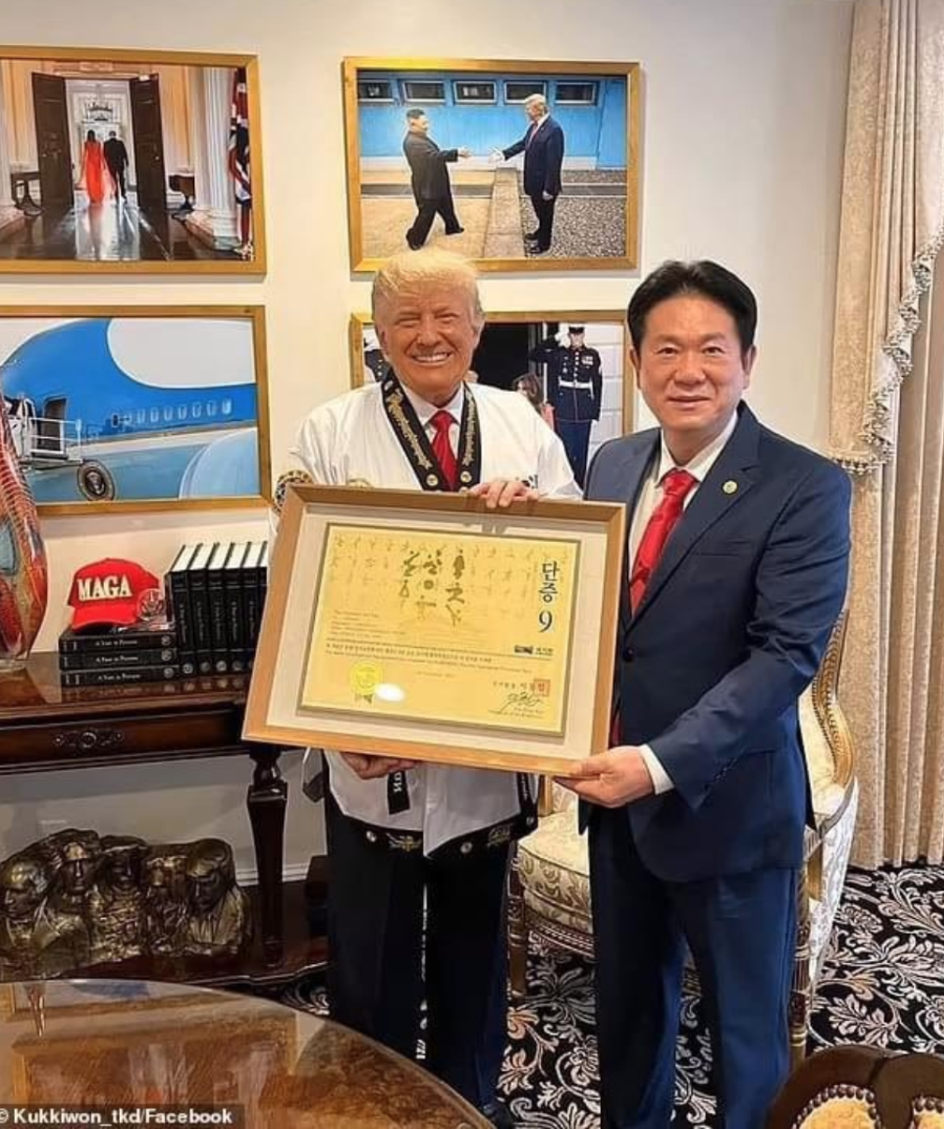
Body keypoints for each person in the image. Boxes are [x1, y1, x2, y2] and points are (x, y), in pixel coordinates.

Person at [287, 247, 578, 1127]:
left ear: (479, 329)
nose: (429, 334)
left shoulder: (524, 426)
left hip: (484, 759)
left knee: (473, 955)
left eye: (448, 315)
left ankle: (469, 1103)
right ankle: (369, 1107)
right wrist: (333, 725)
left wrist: (532, 511)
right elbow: (300, 589)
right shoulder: (330, 432)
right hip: (371, 752)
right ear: (379, 333)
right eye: (407, 318)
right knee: (370, 964)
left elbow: (572, 578)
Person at [559, 260, 851, 1129]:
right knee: (629, 1020)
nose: (690, 370)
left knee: (747, 1040)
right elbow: (585, 610)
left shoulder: (806, 485)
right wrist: (514, 521)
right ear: (639, 361)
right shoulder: (612, 464)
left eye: (713, 350)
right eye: (668, 349)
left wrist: (656, 764)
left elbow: (783, 658)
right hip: (616, 807)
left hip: (727, 807)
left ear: (748, 362)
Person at [529, 325, 602, 487]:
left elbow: (597, 384)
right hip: (564, 407)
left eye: (579, 335)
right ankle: (567, 486)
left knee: (581, 453)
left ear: (583, 335)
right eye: (573, 335)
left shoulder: (592, 355)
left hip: (583, 409)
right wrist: (555, 338)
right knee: (566, 451)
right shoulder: (559, 354)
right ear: (569, 336)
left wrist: (595, 411)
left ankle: (580, 486)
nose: (576, 338)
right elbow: (534, 354)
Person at [492, 94, 564, 255]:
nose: (526, 112)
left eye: (528, 109)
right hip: (533, 181)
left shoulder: (554, 130)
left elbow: (555, 162)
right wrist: (504, 154)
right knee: (539, 211)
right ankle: (540, 231)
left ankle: (544, 243)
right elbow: (523, 143)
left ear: (539, 109)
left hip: (545, 184)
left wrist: (549, 188)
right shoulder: (534, 125)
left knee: (546, 214)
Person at [402, 108, 469, 250]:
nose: (427, 125)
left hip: (437, 181)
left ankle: (452, 227)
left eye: (427, 122)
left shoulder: (420, 137)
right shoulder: (413, 142)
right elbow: (433, 156)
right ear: (412, 124)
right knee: (426, 214)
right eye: (424, 123)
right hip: (427, 185)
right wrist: (456, 152)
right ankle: (414, 239)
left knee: (447, 206)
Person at [77, 130, 110, 205]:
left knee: (91, 181)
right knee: (97, 180)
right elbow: (101, 154)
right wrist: (103, 164)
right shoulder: (98, 143)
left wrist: (83, 164)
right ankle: (98, 195)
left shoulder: (86, 143)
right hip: (97, 163)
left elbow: (85, 154)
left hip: (90, 164)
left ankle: (92, 196)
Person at [103, 130, 129, 200]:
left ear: (109, 135)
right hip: (119, 163)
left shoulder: (106, 144)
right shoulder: (120, 143)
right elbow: (124, 153)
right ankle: (123, 192)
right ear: (115, 135)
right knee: (121, 178)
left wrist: (104, 165)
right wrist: (126, 161)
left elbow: (104, 155)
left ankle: (115, 192)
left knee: (113, 179)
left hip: (111, 164)